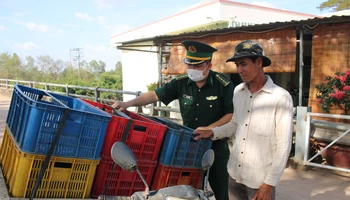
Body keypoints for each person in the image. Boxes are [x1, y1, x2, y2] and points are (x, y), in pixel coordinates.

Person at [112, 40, 234, 200]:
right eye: (189, 65)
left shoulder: (222, 84)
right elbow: (155, 95)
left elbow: (231, 114)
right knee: (190, 191)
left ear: (208, 66)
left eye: (197, 66)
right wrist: (127, 103)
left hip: (215, 147)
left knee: (221, 192)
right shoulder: (181, 83)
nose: (192, 69)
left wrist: (210, 129)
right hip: (191, 147)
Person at [193, 40, 294, 200]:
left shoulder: (280, 97)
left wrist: (269, 184)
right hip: (234, 175)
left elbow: (283, 146)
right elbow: (235, 124)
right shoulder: (238, 91)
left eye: (243, 64)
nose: (239, 70)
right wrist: (211, 132)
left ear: (259, 62)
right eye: (237, 65)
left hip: (259, 181)